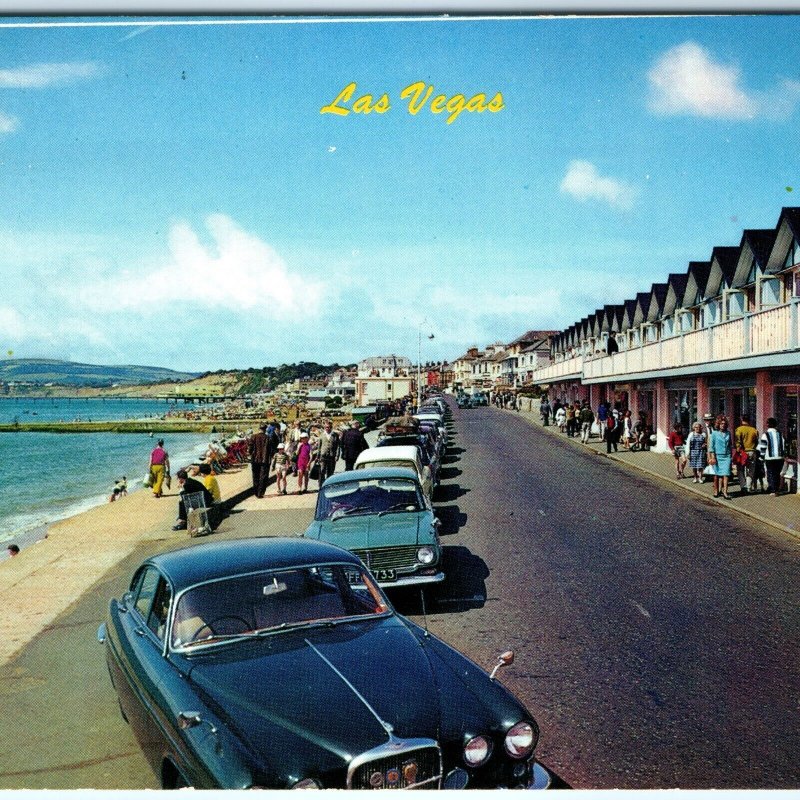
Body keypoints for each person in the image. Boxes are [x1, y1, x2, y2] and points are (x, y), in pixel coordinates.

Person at [758, 417, 786, 496]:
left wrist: (761, 457)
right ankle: (774, 488)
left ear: (768, 425)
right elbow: (783, 445)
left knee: (770, 473)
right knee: (777, 474)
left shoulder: (765, 435)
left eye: (767, 423)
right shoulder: (780, 434)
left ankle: (773, 490)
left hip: (770, 458)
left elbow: (763, 447)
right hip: (780, 458)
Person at [709, 416, 733, 499]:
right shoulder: (714, 434)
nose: (723, 425)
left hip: (726, 456)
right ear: (718, 424)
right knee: (717, 475)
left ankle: (725, 492)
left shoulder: (728, 433)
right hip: (717, 456)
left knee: (726, 474)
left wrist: (730, 457)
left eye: (724, 424)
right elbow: (711, 447)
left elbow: (730, 445)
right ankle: (716, 491)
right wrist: (713, 457)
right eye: (721, 423)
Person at [734, 415, 759, 493]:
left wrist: (738, 449)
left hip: (742, 452)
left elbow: (737, 441)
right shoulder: (754, 430)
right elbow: (756, 441)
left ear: (742, 420)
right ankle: (748, 487)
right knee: (751, 470)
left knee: (740, 470)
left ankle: (743, 485)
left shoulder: (739, 429)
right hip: (752, 451)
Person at [315, 419, 341, 487]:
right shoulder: (321, 435)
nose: (328, 428)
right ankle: (321, 485)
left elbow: (338, 446)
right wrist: (317, 457)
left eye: (329, 427)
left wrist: (337, 455)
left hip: (332, 456)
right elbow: (319, 447)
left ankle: (329, 485)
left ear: (331, 427)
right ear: (324, 427)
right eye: (326, 427)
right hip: (323, 456)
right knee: (322, 471)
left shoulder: (335, 435)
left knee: (330, 471)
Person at [249, 424, 270, 499]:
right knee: (263, 476)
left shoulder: (253, 436)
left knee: (255, 475)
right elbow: (270, 450)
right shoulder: (267, 437)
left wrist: (251, 454)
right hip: (265, 460)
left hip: (254, 459)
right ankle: (260, 492)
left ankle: (256, 491)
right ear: (265, 429)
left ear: (259, 429)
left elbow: (250, 448)